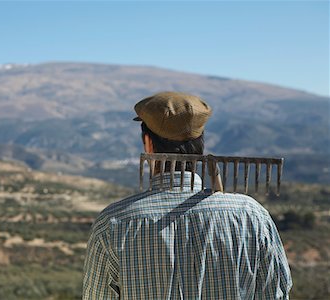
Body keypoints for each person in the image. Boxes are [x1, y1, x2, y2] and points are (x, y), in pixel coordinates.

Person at [83, 92, 292, 299]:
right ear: (201, 145)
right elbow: (275, 294)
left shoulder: (113, 224)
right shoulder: (252, 216)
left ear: (148, 143)